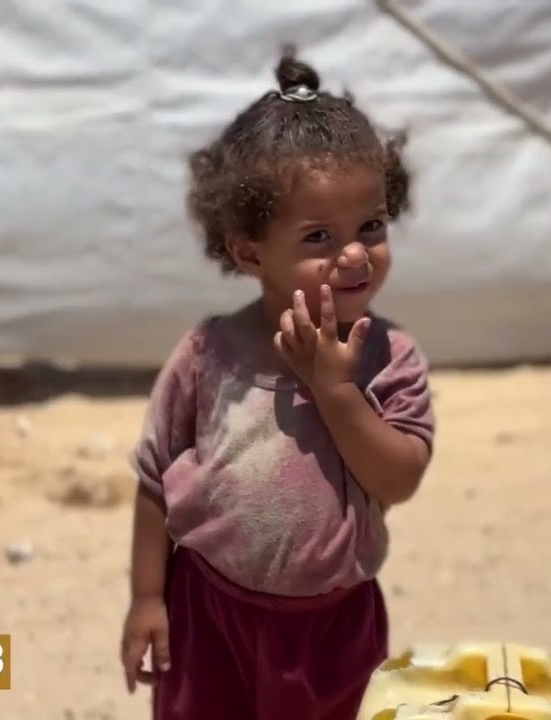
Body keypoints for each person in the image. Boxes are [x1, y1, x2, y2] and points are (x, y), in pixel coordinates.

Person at [118, 45, 437, 720]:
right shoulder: (208, 355)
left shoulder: (387, 356)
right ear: (249, 251)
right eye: (319, 235)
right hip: (209, 610)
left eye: (371, 226)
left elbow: (399, 480)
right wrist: (149, 598)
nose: (355, 253)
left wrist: (335, 390)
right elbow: (154, 483)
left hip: (332, 625)